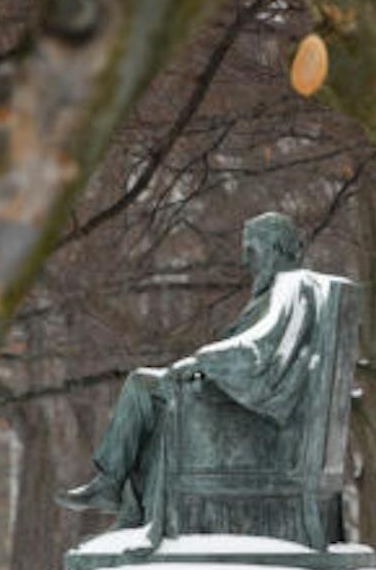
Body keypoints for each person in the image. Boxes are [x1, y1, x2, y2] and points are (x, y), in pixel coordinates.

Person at [57, 211, 307, 522]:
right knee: (154, 405)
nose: (246, 261)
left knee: (141, 386)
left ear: (274, 247)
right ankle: (129, 506)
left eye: (251, 250)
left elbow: (259, 349)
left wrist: (202, 362)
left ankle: (114, 489)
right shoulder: (281, 294)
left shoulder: (290, 295)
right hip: (237, 399)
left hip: (251, 415)